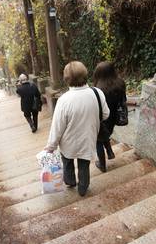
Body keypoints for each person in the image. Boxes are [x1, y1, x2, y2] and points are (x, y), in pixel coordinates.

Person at [44, 61, 109, 196]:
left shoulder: (64, 100)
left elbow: (57, 127)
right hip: (88, 139)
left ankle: (70, 181)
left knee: (67, 162)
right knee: (84, 166)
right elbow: (105, 114)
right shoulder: (97, 93)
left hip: (68, 143)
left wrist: (51, 146)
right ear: (85, 74)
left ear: (67, 79)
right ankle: (83, 188)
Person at [93, 61, 127, 172]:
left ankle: (102, 165)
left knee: (98, 140)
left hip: (101, 119)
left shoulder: (98, 89)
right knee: (106, 133)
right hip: (114, 118)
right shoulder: (120, 83)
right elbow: (123, 101)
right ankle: (110, 152)